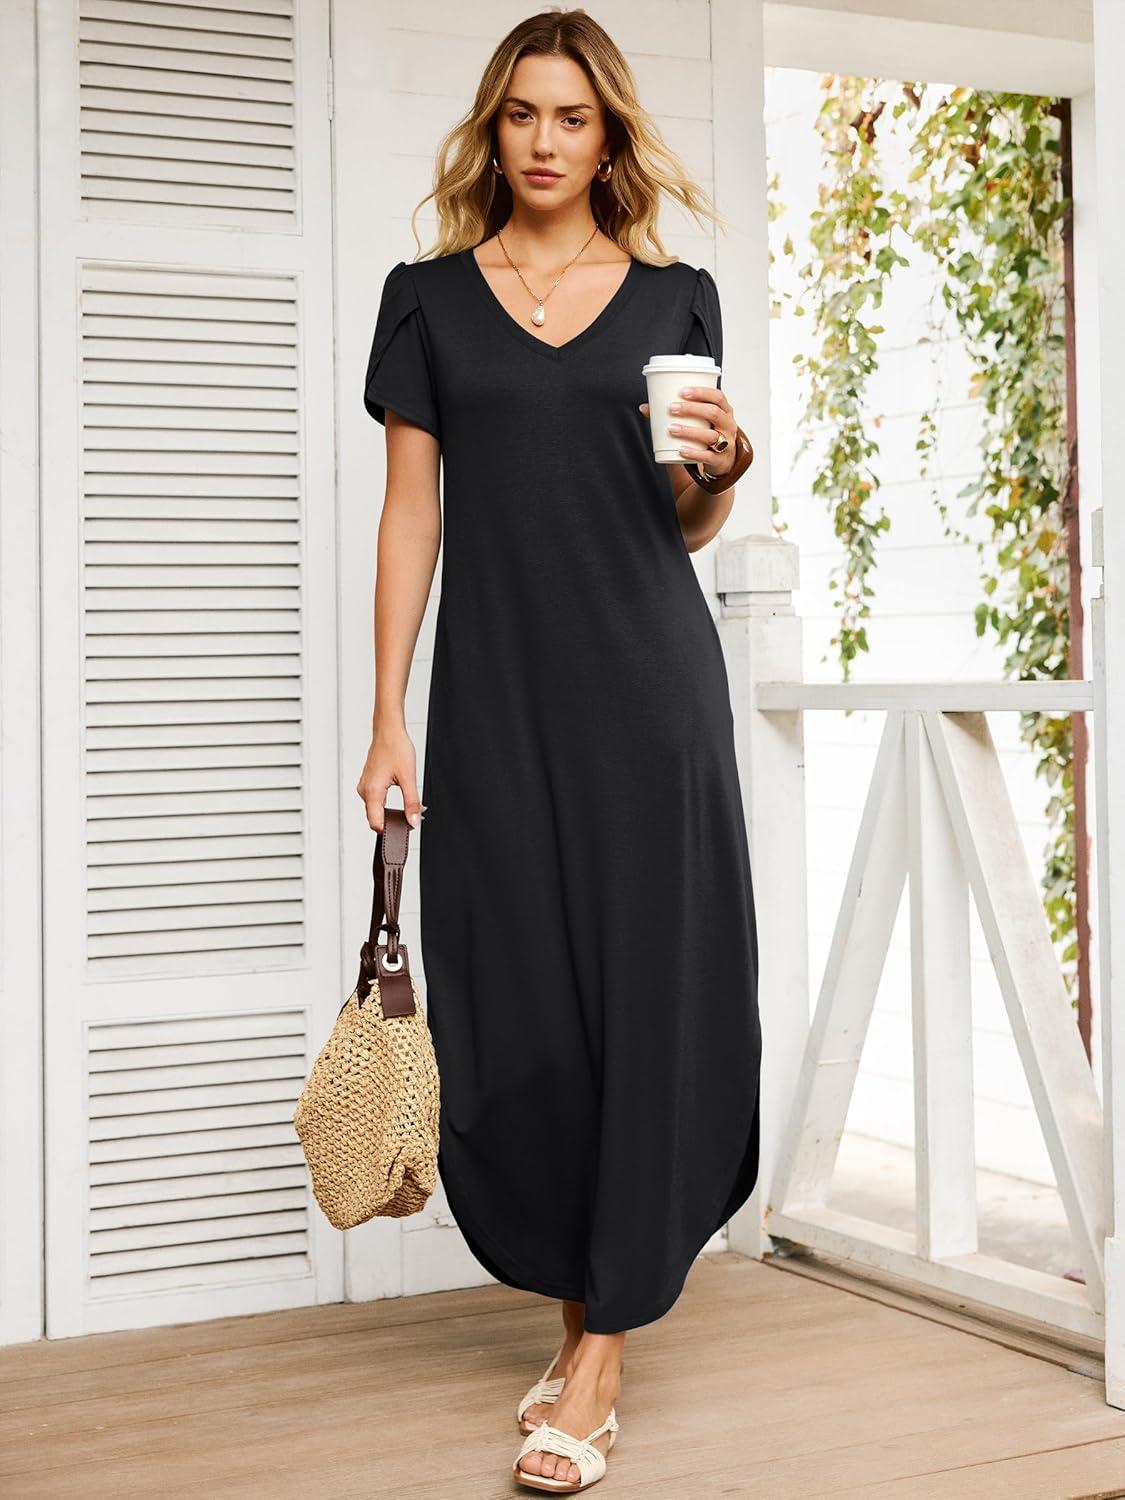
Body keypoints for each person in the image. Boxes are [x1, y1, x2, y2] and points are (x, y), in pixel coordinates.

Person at [357, 9, 761, 1492]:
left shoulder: (674, 299)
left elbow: (684, 524)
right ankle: (583, 1317)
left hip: (649, 696)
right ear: (493, 128)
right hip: (497, 704)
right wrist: (388, 712)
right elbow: (412, 511)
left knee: (645, 1002)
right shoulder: (426, 303)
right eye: (521, 113)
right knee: (524, 1009)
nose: (543, 140)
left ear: (608, 139)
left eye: (572, 117)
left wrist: (723, 474)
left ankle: (596, 1367)